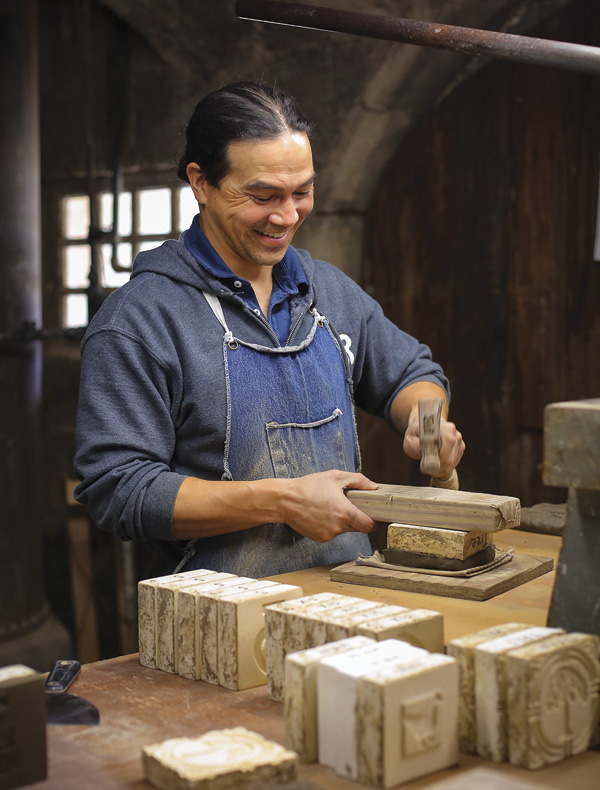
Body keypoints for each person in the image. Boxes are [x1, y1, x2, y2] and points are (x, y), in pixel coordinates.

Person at [74, 81, 465, 577]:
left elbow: (411, 371)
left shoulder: (328, 293)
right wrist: (283, 501)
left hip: (352, 593)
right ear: (201, 183)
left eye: (303, 192)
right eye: (263, 196)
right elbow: (120, 489)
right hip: (221, 617)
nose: (286, 216)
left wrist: (427, 424)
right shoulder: (140, 322)